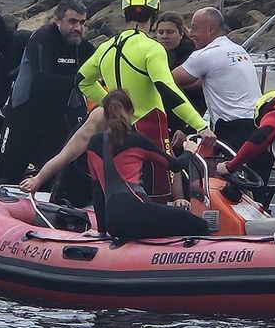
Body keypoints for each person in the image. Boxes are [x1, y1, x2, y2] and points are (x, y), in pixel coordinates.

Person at [78, 0, 210, 202]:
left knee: (125, 186)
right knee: (159, 194)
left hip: (120, 127)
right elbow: (167, 89)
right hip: (151, 126)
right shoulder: (152, 48)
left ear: (125, 12)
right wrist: (200, 126)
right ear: (154, 13)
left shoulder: (106, 47)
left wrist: (113, 107)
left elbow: (82, 81)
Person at [84, 89, 210, 239]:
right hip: (139, 212)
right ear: (131, 112)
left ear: (105, 114)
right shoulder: (137, 140)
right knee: (200, 225)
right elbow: (175, 165)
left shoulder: (93, 144)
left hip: (113, 223)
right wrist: (189, 151)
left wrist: (101, 231)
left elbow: (97, 190)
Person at [172, 7, 268, 202]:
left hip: (233, 129)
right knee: (257, 194)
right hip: (258, 126)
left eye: (194, 28)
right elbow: (212, 78)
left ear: (210, 30)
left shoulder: (206, 54)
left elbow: (168, 80)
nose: (190, 34)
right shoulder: (238, 49)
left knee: (230, 190)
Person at [0, 0, 95, 185]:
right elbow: (44, 80)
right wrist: (82, 78)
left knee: (54, 181)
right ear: (57, 21)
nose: (78, 28)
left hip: (55, 123)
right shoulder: (42, 38)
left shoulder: (82, 47)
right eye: (72, 21)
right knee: (6, 177)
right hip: (22, 119)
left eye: (82, 22)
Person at [155, 11, 207, 118]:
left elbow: (200, 85)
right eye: (160, 32)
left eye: (170, 32)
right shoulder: (153, 54)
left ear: (181, 33)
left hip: (190, 111)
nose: (164, 36)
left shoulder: (193, 55)